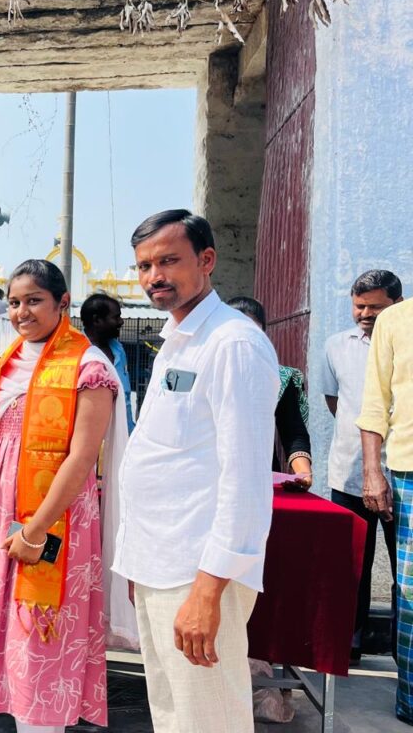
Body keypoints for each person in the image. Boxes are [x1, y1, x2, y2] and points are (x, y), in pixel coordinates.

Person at [0, 259, 124, 730]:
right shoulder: (12, 359)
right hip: (2, 515)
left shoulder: (87, 366)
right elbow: (9, 437)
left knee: (40, 636)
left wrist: (35, 531)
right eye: (15, 302)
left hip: (51, 519)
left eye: (34, 301)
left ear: (63, 303)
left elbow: (81, 459)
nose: (22, 312)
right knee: (12, 637)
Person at [112, 210, 278, 733]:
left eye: (168, 261)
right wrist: (140, 564)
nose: (154, 276)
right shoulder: (180, 339)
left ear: (206, 260)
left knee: (208, 720)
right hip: (161, 564)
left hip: (197, 571)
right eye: (144, 266)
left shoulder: (233, 344)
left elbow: (245, 480)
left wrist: (208, 592)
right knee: (173, 715)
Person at [321, 270, 403, 663]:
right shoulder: (337, 346)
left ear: (397, 304)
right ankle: (348, 644)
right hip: (351, 474)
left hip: (401, 475)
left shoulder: (404, 343)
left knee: (405, 573)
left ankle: (402, 649)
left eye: (375, 307)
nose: (365, 314)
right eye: (359, 306)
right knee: (352, 566)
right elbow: (335, 402)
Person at [356, 293, 413, 725]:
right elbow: (374, 404)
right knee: (411, 593)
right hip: (409, 471)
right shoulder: (395, 320)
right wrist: (372, 472)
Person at [226, 296, 313, 489]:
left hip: (260, 478)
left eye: (252, 330)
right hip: (208, 476)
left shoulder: (279, 377)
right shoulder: (202, 372)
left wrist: (303, 474)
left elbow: (292, 432)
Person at [81, 292, 135, 432]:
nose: (121, 322)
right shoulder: (77, 354)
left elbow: (125, 399)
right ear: (97, 320)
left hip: (124, 435)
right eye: (116, 317)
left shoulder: (118, 350)